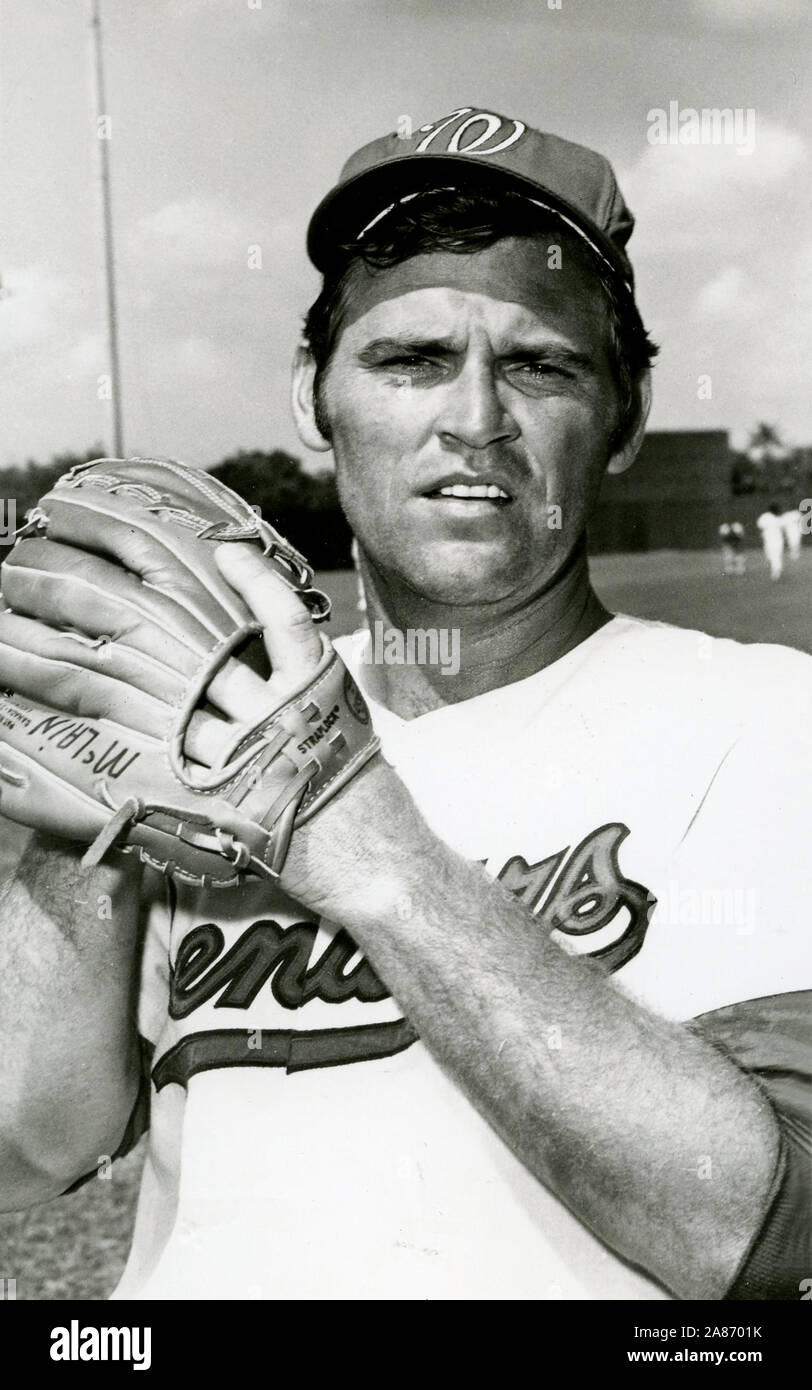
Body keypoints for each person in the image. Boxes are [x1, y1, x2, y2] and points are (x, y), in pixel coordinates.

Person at [1, 106, 809, 1302]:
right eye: (409, 359)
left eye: (537, 364)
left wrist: (354, 834)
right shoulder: (202, 725)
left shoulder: (765, 723)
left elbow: (762, 1230)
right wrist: (91, 833)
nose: (472, 419)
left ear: (627, 413)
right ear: (310, 399)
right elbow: (28, 1148)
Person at [756, 502, 786, 580]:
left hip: (774, 539)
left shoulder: (771, 517)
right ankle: (777, 567)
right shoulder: (767, 517)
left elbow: (760, 525)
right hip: (772, 539)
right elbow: (760, 525)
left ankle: (776, 571)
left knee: (775, 556)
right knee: (770, 556)